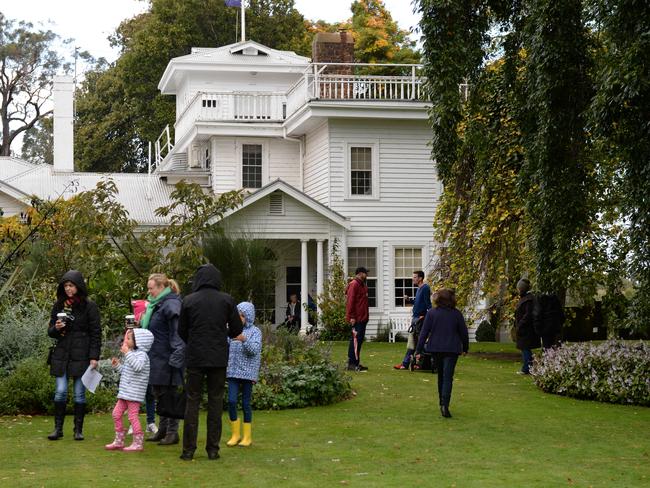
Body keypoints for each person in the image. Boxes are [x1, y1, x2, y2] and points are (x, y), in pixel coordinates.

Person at [178, 264, 243, 461]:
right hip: (217, 357)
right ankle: (213, 449)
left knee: (192, 401)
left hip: (195, 357)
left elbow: (181, 330)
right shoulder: (226, 300)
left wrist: (194, 340)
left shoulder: (189, 300)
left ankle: (188, 450)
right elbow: (236, 329)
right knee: (215, 402)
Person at [47, 270, 101, 441]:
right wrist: (56, 328)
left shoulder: (89, 307)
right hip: (62, 354)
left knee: (79, 393)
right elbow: (50, 332)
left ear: (78, 286)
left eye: (71, 285)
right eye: (65, 286)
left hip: (82, 354)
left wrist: (94, 356)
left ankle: (78, 430)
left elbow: (96, 333)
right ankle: (58, 429)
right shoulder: (59, 305)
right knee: (60, 391)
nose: (68, 289)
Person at [141, 273, 185, 445]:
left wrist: (177, 356)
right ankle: (163, 429)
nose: (149, 291)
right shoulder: (158, 304)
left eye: (151, 288)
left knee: (170, 394)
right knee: (160, 394)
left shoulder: (171, 304)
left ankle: (172, 432)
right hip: (158, 356)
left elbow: (177, 333)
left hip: (168, 357)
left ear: (161, 287)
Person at [415, 288, 469, 418]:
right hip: (452, 349)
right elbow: (463, 333)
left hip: (436, 348)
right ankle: (445, 404)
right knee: (447, 377)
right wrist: (465, 348)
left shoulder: (432, 313)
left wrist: (418, 349)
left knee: (441, 376)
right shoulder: (456, 314)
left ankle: (442, 403)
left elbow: (424, 333)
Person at [105, 327, 154, 452]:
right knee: (116, 414)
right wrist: (117, 366)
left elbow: (138, 367)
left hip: (134, 392)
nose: (125, 341)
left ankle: (138, 443)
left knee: (132, 417)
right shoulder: (132, 353)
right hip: (125, 391)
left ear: (139, 341)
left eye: (128, 338)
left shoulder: (142, 355)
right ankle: (119, 440)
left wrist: (127, 353)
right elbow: (127, 371)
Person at [225, 302, 262, 448]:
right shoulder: (232, 330)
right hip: (233, 371)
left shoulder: (255, 332)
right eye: (237, 315)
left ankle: (247, 436)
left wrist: (243, 339)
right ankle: (235, 434)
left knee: (246, 404)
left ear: (249, 316)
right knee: (232, 401)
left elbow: (254, 349)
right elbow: (225, 344)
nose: (239, 318)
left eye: (242, 315)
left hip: (248, 373)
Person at [394, 270, 432, 370]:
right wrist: (409, 299)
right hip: (415, 318)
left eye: (415, 277)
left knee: (419, 342)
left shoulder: (425, 288)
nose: (413, 279)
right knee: (414, 342)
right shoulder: (419, 289)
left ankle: (416, 363)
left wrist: (425, 317)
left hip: (420, 319)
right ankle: (408, 363)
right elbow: (418, 302)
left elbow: (429, 305)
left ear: (420, 278)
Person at [346, 266, 370, 371]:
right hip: (356, 319)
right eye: (365, 273)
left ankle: (356, 362)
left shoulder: (362, 285)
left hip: (363, 318)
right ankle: (351, 364)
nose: (367, 275)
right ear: (360, 273)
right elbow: (350, 302)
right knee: (355, 340)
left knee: (359, 341)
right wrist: (351, 316)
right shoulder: (354, 284)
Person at [515, 278, 540, 374]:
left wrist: (520, 324)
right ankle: (528, 367)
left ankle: (527, 368)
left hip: (526, 329)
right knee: (525, 348)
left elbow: (527, 315)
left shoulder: (528, 299)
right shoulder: (526, 298)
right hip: (524, 328)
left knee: (525, 348)